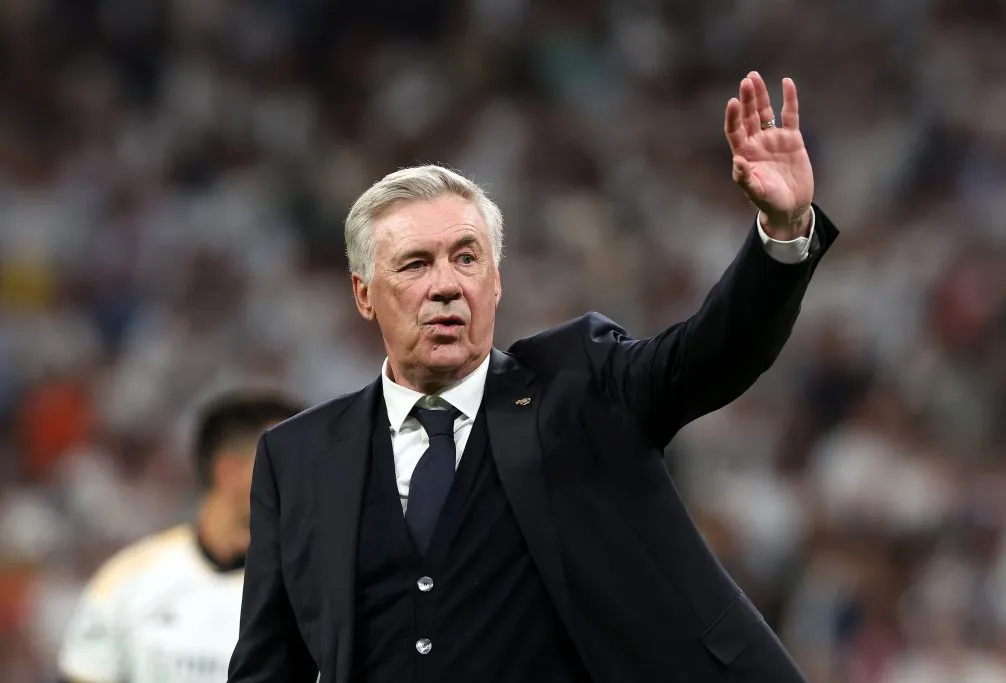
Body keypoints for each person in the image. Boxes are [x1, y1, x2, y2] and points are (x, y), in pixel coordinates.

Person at [228, 72, 836, 683]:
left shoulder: (580, 383)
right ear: (364, 294)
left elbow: (712, 354)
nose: (447, 285)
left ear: (495, 281)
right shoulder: (296, 457)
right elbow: (268, 665)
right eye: (416, 264)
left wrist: (782, 235)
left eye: (467, 258)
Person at [57, 389, 306, 683]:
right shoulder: (127, 583)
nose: (308, 477)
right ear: (230, 472)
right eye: (291, 461)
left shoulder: (319, 589)